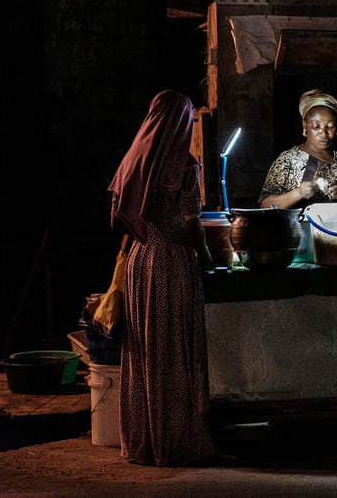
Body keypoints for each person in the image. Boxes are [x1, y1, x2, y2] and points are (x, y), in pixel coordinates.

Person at [108, 89, 217, 466]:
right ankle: (177, 442)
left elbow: (122, 219)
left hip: (141, 263)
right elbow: (193, 225)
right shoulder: (184, 167)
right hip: (172, 265)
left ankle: (143, 442)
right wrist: (207, 257)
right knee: (174, 354)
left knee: (145, 354)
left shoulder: (134, 161)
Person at [258, 89, 337, 209]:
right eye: (316, 126)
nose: (323, 133)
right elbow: (264, 205)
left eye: (330, 126)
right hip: (301, 227)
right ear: (304, 125)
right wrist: (299, 193)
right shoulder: (288, 159)